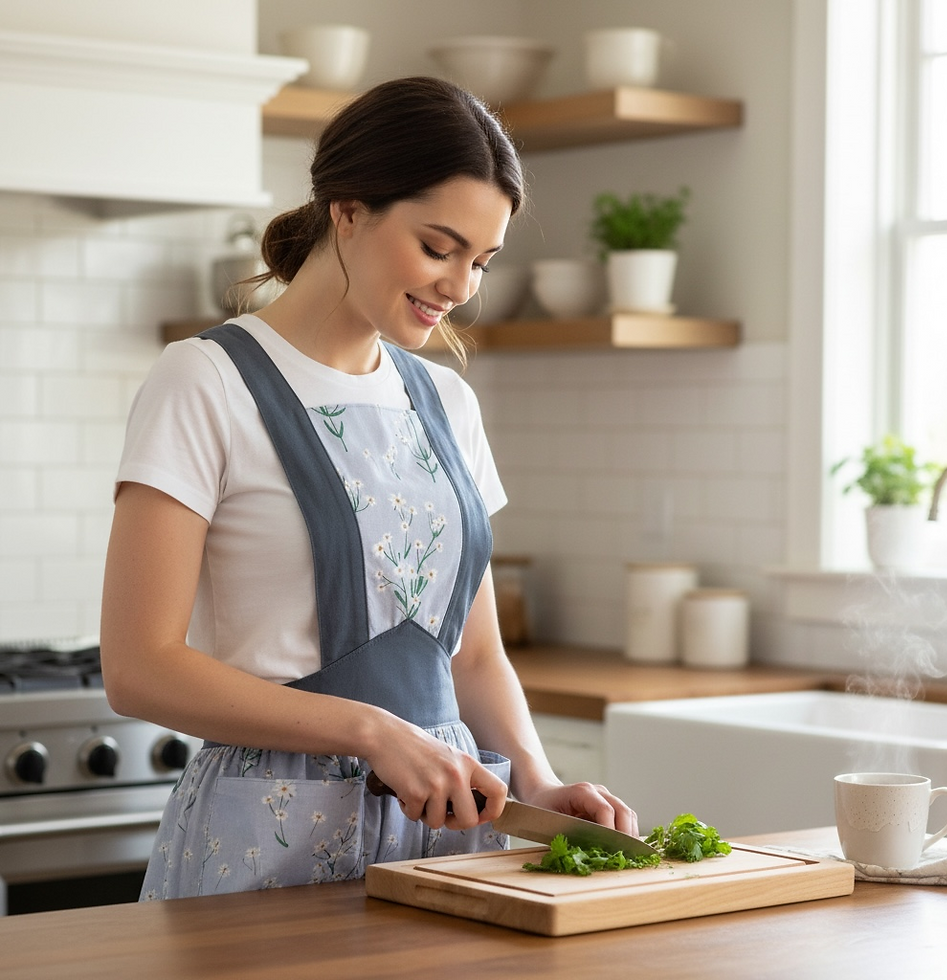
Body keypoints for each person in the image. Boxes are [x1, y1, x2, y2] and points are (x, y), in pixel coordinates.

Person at [100, 76, 637, 900]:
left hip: (444, 840)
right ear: (347, 210)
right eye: (438, 247)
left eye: (481, 261)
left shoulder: (447, 403)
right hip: (266, 839)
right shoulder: (204, 380)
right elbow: (140, 666)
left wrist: (536, 777)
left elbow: (474, 656)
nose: (462, 286)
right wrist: (370, 731)